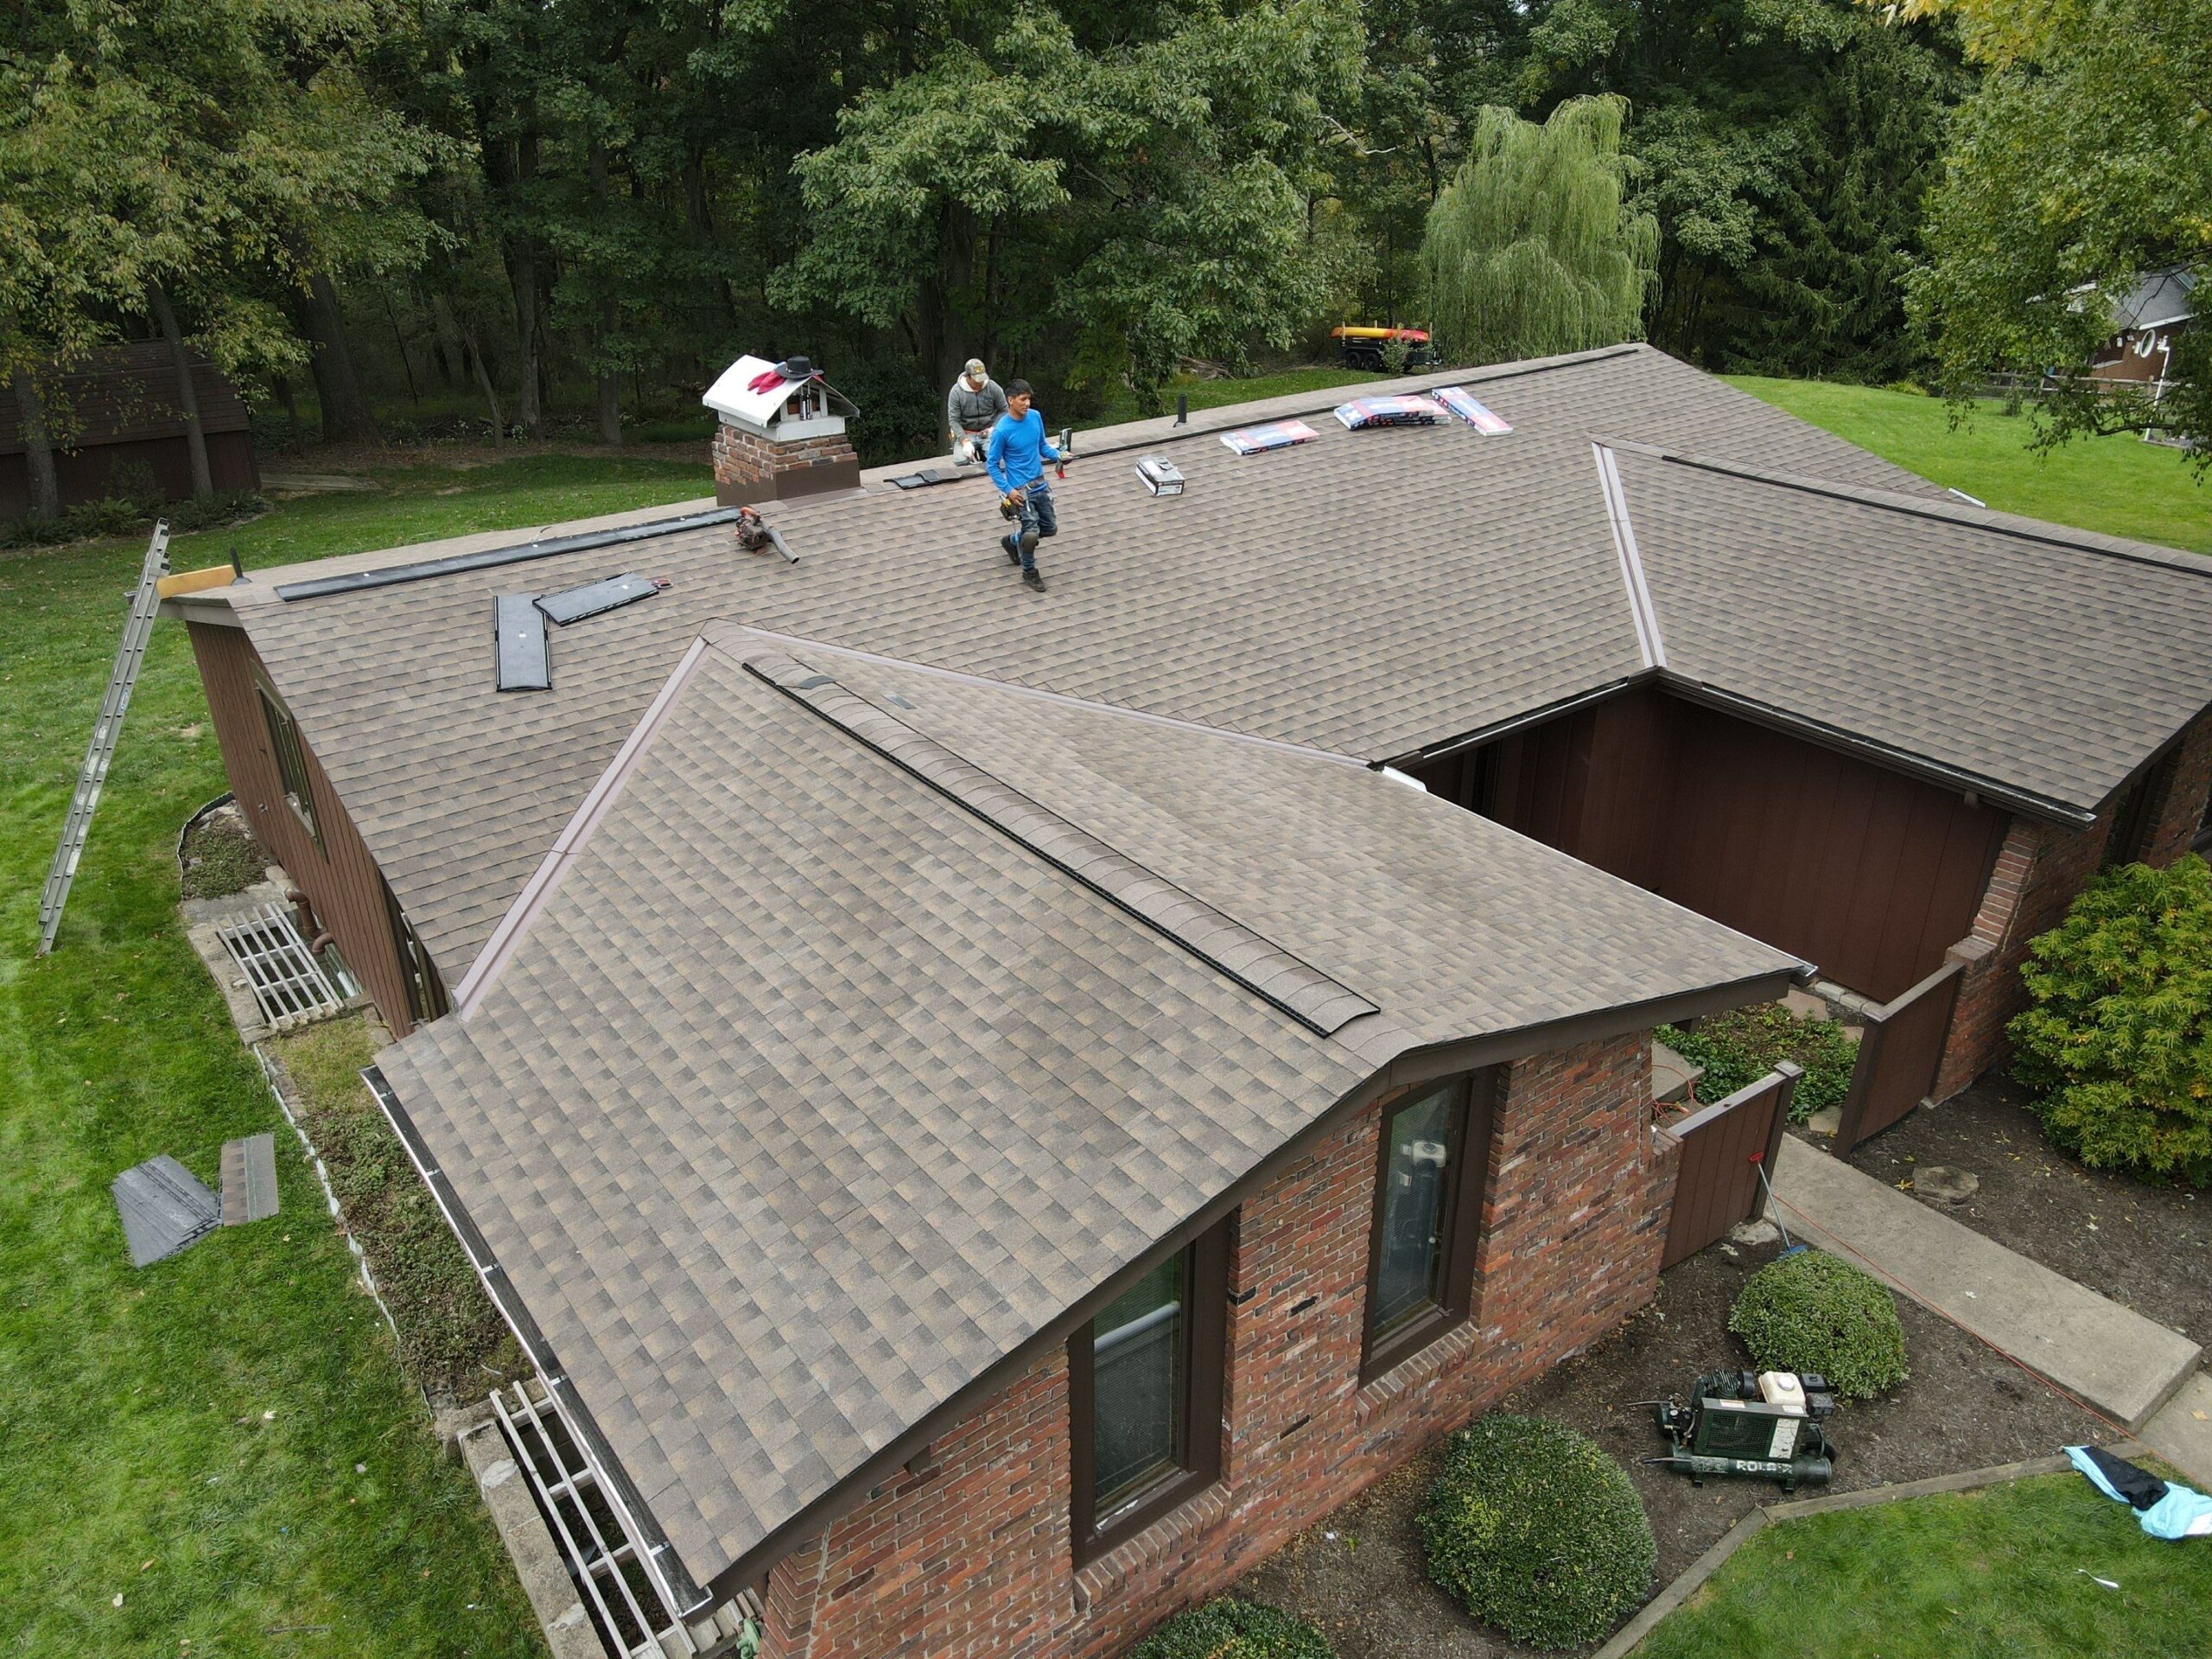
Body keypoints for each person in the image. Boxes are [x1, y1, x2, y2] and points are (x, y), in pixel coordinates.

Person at [985, 379, 1064, 594]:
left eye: (1029, 398)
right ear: (1010, 401)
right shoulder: (1002, 431)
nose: (1027, 403)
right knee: (1031, 533)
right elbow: (991, 464)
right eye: (1022, 399)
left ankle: (1012, 541)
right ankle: (1029, 571)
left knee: (1049, 528)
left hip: (1041, 485)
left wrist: (1060, 455)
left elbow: (1043, 447)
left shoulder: (1035, 418)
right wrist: (1008, 490)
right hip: (1020, 491)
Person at [945, 359, 1007, 467]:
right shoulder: (956, 392)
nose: (980, 383)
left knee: (997, 458)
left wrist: (994, 428)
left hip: (988, 433)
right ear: (968, 376)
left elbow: (1004, 410)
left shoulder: (993, 387)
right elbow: (953, 420)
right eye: (976, 380)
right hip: (967, 433)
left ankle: (984, 453)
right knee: (961, 461)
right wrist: (964, 441)